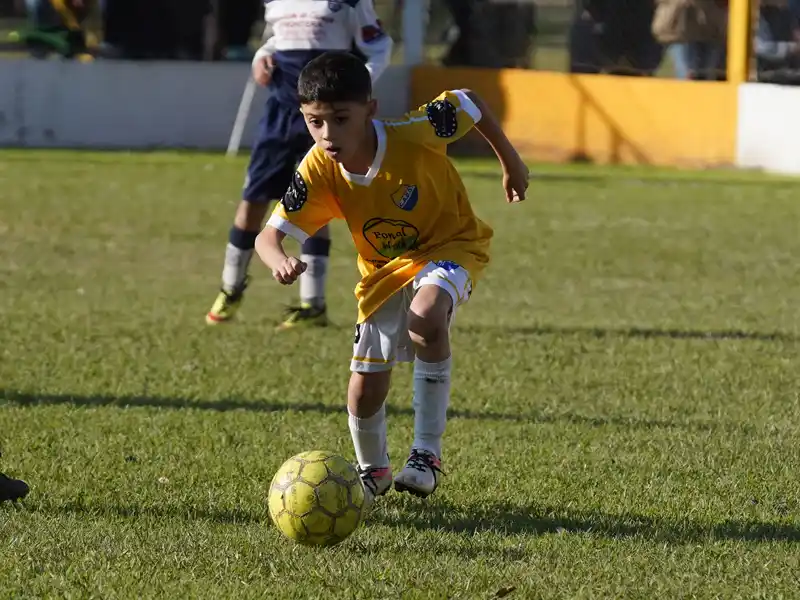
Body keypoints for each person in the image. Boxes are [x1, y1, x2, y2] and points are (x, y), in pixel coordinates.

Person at [255, 52, 529, 506]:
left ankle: (426, 455)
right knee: (363, 391)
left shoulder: (415, 134)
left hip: (452, 245)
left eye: (340, 119)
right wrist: (278, 260)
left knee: (426, 317)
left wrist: (511, 161)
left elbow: (470, 101)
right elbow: (269, 236)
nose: (328, 134)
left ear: (370, 109)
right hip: (382, 273)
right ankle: (373, 471)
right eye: (314, 122)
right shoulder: (319, 167)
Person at [206, 0, 393, 329]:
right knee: (252, 201)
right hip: (279, 116)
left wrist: (356, 86)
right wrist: (260, 57)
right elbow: (277, 39)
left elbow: (378, 45)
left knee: (315, 203)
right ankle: (230, 289)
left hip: (323, 120)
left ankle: (313, 304)